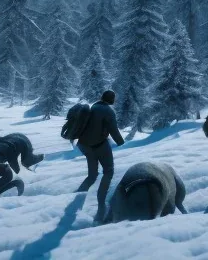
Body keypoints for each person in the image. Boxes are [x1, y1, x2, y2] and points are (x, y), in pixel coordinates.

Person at [76, 89, 125, 222]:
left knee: (92, 175)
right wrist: (122, 143)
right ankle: (101, 203)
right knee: (108, 171)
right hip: (98, 146)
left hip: (84, 145)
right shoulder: (108, 111)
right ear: (112, 100)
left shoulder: (94, 106)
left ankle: (76, 197)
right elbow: (113, 130)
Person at [105, 162, 187, 223]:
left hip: (134, 183)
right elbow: (170, 209)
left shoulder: (168, 173)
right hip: (157, 183)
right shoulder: (169, 175)